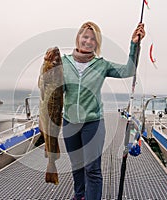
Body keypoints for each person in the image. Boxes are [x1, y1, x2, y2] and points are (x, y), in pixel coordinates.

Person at [61, 21, 145, 200]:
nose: (88, 41)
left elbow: (128, 70)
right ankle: (79, 195)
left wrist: (134, 44)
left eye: (93, 39)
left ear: (97, 44)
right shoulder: (63, 62)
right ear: (78, 38)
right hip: (69, 121)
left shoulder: (102, 64)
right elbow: (53, 86)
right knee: (76, 164)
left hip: (93, 122)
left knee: (92, 168)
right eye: (85, 36)